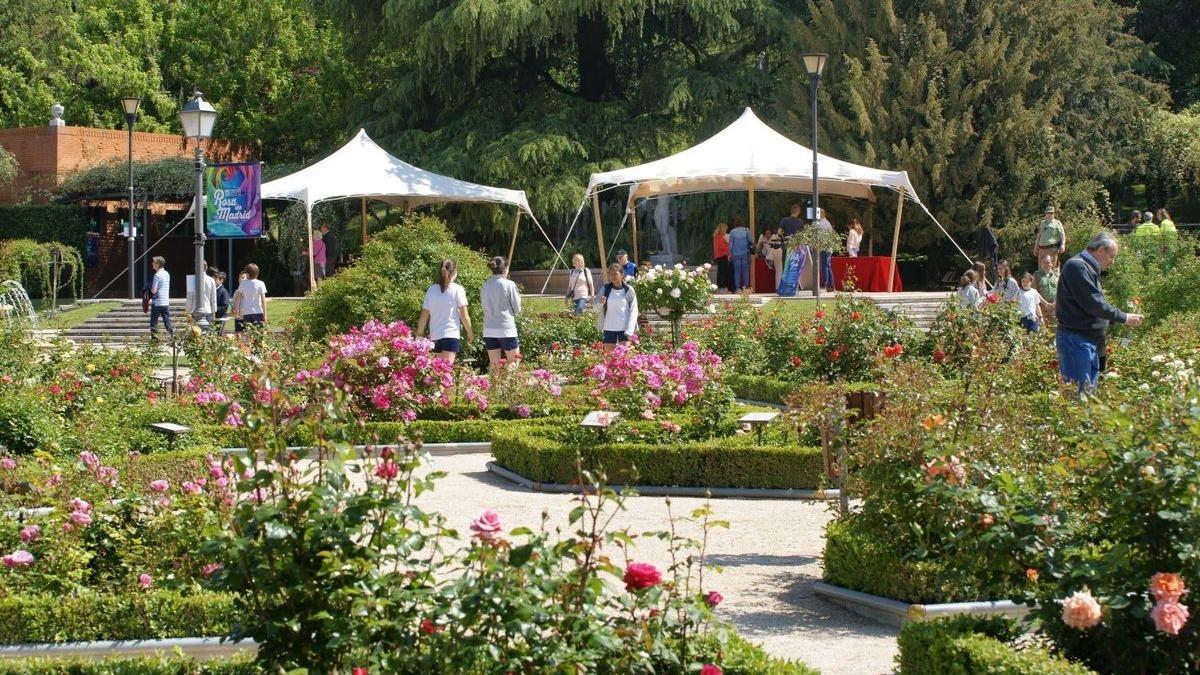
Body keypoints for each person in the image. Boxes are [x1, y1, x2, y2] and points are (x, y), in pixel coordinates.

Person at [1056, 231, 1144, 393]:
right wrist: (1124, 317)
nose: (1112, 262)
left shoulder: (1088, 268)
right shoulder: (1077, 266)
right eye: (1112, 256)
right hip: (1077, 341)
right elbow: (1094, 304)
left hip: (1089, 341)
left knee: (1089, 397)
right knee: (1079, 397)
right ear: (1101, 250)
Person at [417, 259, 473, 363]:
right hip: (451, 334)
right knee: (445, 372)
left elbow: (424, 315)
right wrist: (470, 333)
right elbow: (464, 316)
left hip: (435, 336)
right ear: (454, 272)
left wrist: (419, 334)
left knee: (437, 372)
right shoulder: (458, 289)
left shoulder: (431, 290)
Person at [481, 256, 521, 371]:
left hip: (489, 328)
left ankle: (494, 388)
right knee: (513, 361)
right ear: (505, 268)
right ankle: (510, 388)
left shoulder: (485, 285)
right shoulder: (509, 284)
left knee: (494, 365)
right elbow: (517, 308)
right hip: (506, 328)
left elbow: (484, 306)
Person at [595, 262, 638, 351]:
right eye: (611, 274)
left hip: (625, 329)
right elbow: (595, 309)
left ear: (622, 275)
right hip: (609, 327)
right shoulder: (605, 289)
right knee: (609, 357)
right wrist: (600, 303)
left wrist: (629, 330)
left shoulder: (629, 290)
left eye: (615, 274)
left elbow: (634, 311)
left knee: (624, 358)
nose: (613, 277)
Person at [234, 263, 268, 333]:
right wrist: (265, 315)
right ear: (257, 273)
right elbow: (263, 300)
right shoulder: (261, 283)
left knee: (249, 334)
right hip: (258, 311)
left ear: (247, 273)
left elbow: (238, 298)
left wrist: (237, 311)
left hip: (246, 312)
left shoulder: (243, 283)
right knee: (259, 334)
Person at [188, 263, 218, 330]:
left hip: (194, 311)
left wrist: (188, 312)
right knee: (207, 335)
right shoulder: (211, 280)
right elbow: (213, 299)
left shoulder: (191, 279)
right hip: (207, 310)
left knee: (195, 335)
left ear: (196, 268)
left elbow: (190, 298)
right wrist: (214, 314)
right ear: (206, 268)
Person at [148, 256, 172, 337]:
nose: (152, 264)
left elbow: (154, 290)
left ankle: (154, 341)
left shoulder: (157, 275)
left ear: (158, 264)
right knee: (167, 321)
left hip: (157, 302)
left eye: (154, 262)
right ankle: (172, 338)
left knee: (153, 322)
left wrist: (148, 294)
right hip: (165, 302)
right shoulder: (167, 273)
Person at [728, 216, 753, 291]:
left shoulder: (732, 232)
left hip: (735, 254)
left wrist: (730, 254)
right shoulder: (746, 230)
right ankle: (745, 287)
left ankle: (737, 288)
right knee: (745, 271)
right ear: (742, 223)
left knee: (737, 271)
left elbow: (731, 245)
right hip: (745, 253)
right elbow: (751, 241)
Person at [1034, 254, 1057, 325]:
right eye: (1044, 262)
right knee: (1043, 329)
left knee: (1055, 329)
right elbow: (1034, 291)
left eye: (1048, 262)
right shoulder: (1036, 275)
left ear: (1052, 263)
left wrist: (1054, 303)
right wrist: (1045, 303)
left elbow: (1061, 290)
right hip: (1042, 306)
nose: (1046, 264)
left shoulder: (1057, 275)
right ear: (1041, 263)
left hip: (1055, 306)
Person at [816, 209, 835, 292]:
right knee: (828, 266)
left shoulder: (822, 223)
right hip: (828, 248)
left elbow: (820, 236)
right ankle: (831, 285)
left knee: (824, 267)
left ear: (822, 214)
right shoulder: (826, 223)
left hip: (824, 248)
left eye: (818, 213)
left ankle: (825, 285)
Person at [712, 223, 732, 292]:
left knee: (720, 272)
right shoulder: (720, 237)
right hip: (722, 255)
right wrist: (728, 245)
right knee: (723, 272)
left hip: (718, 256)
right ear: (723, 229)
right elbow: (722, 247)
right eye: (726, 229)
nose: (726, 230)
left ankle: (720, 287)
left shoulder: (716, 236)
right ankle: (723, 287)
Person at [214, 270, 231, 335]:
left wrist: (214, 309)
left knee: (218, 335)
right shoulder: (215, 290)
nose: (213, 281)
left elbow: (225, 307)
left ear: (221, 280)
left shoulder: (223, 292)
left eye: (215, 280)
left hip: (220, 318)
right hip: (215, 318)